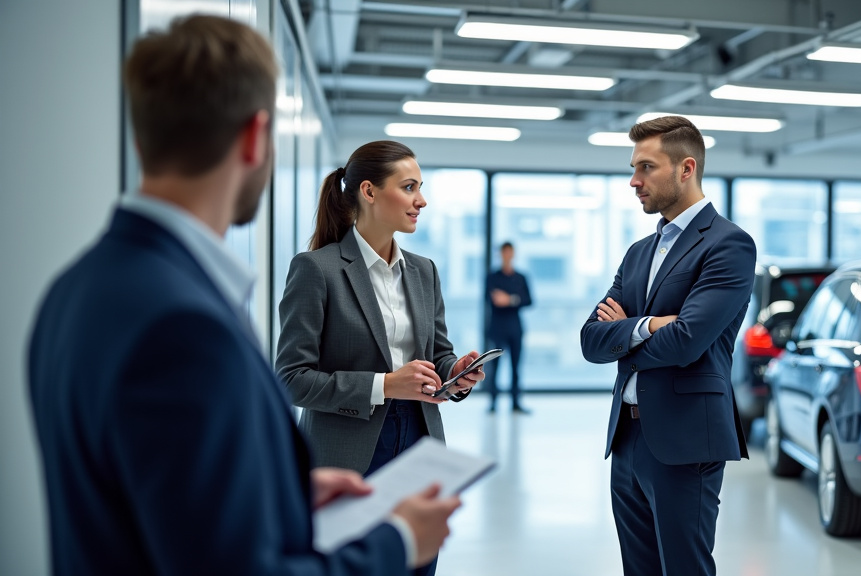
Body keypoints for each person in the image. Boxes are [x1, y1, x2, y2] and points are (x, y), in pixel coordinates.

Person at [27, 16, 458, 576]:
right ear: (256, 136)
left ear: (141, 136)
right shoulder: (183, 323)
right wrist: (399, 541)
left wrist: (283, 496)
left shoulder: (75, 289)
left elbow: (161, 508)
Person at [276, 140, 484, 576]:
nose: (421, 200)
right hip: (347, 450)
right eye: (409, 187)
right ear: (368, 192)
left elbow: (437, 353)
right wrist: (386, 384)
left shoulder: (423, 270)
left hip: (418, 439)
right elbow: (292, 378)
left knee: (416, 562)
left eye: (420, 188)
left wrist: (454, 372)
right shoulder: (317, 269)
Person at [579, 115, 755, 576]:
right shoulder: (639, 251)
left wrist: (627, 333)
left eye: (646, 168)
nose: (634, 182)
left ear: (686, 168)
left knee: (684, 568)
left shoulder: (728, 245)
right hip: (628, 436)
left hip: (686, 439)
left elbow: (686, 343)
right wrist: (649, 325)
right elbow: (590, 339)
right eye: (633, 169)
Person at [485, 241, 533, 413]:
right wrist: (513, 299)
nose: (507, 256)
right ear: (501, 254)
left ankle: (515, 402)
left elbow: (528, 300)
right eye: (504, 252)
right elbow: (492, 300)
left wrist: (510, 299)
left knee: (515, 366)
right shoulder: (492, 277)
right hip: (497, 328)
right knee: (494, 366)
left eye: (510, 252)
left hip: (515, 328)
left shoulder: (521, 277)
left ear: (513, 254)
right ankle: (493, 402)